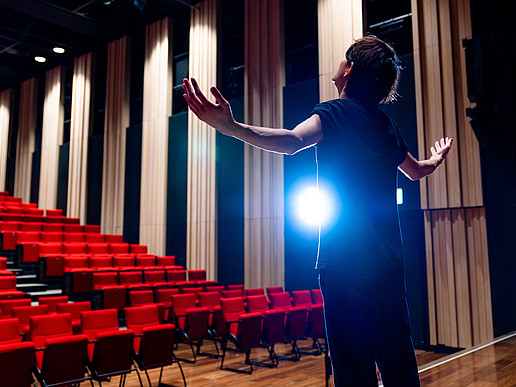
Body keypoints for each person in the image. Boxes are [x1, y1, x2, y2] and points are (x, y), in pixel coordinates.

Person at [182, 35, 452, 387]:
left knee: (354, 368)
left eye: (344, 59)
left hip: (345, 265)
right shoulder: (386, 124)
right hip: (388, 265)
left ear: (351, 69)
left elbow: (293, 141)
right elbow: (416, 171)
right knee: (398, 360)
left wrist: (231, 127)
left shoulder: (334, 111)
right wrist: (436, 158)